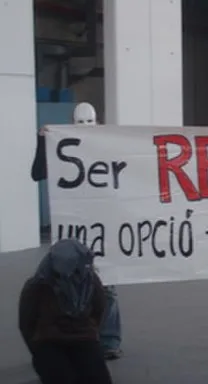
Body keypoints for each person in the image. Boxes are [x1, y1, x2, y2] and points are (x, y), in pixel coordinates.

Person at [31, 102, 124, 360]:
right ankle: (81, 337)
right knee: (67, 284)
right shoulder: (62, 146)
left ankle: (108, 340)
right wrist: (43, 142)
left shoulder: (103, 146)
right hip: (73, 226)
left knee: (106, 287)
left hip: (101, 225)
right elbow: (38, 172)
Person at [19, 239, 114, 384]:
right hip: (49, 341)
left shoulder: (90, 281)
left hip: (83, 338)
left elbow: (99, 310)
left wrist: (90, 333)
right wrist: (38, 347)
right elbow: (27, 322)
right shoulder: (37, 285)